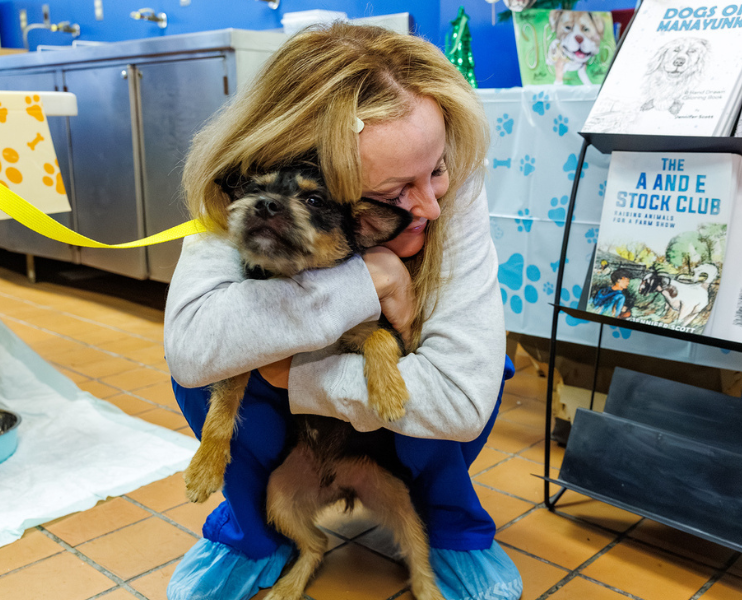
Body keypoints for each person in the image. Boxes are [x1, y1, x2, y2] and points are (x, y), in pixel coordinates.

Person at [163, 23, 521, 600]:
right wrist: (367, 279)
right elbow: (192, 348)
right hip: (298, 443)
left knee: (476, 366)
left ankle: (452, 526)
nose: (430, 205)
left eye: (437, 168)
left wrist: (294, 375)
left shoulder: (451, 194)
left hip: (381, 418)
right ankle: (253, 532)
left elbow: (460, 396)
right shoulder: (253, 196)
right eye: (392, 194)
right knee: (209, 368)